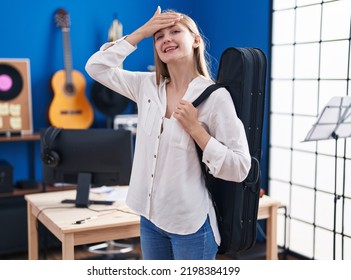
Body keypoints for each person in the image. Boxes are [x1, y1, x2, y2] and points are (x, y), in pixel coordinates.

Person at [85, 6, 251, 260]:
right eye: (159, 36)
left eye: (175, 31)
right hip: (150, 218)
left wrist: (197, 130)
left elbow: (240, 167)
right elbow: (96, 67)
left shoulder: (215, 97)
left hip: (190, 224)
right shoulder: (146, 85)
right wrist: (142, 32)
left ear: (196, 41)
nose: (166, 39)